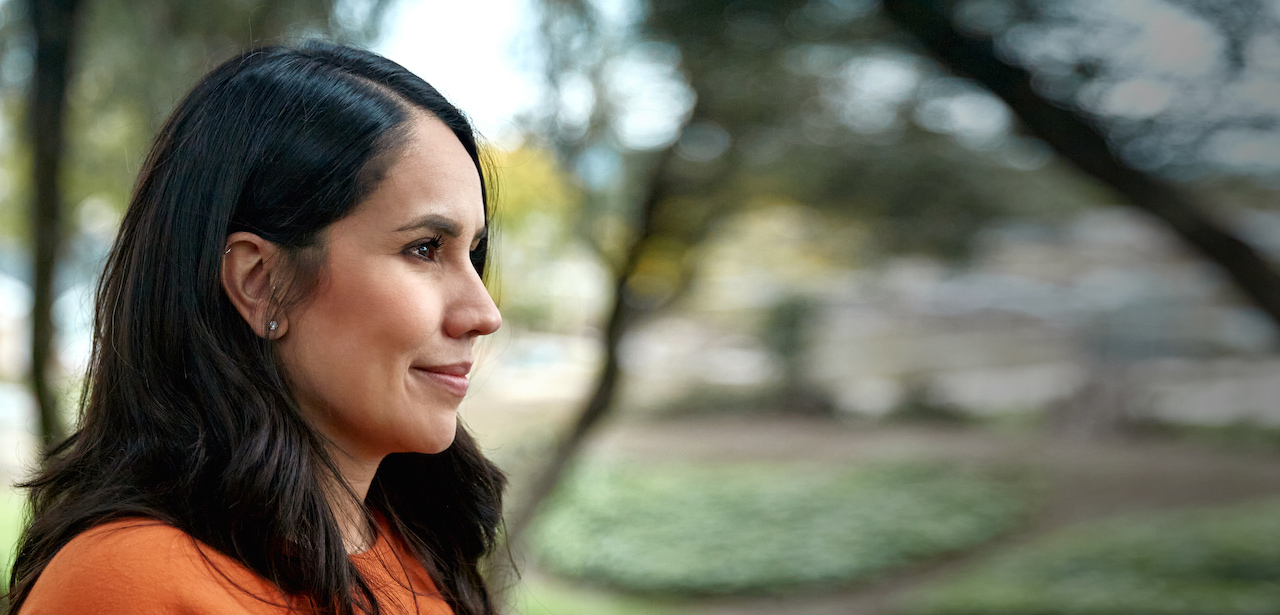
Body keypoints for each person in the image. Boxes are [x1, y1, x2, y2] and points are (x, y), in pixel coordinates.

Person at [7, 42, 507, 615]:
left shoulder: (417, 550)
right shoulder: (132, 584)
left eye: (473, 252)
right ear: (259, 281)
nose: (483, 312)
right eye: (424, 248)